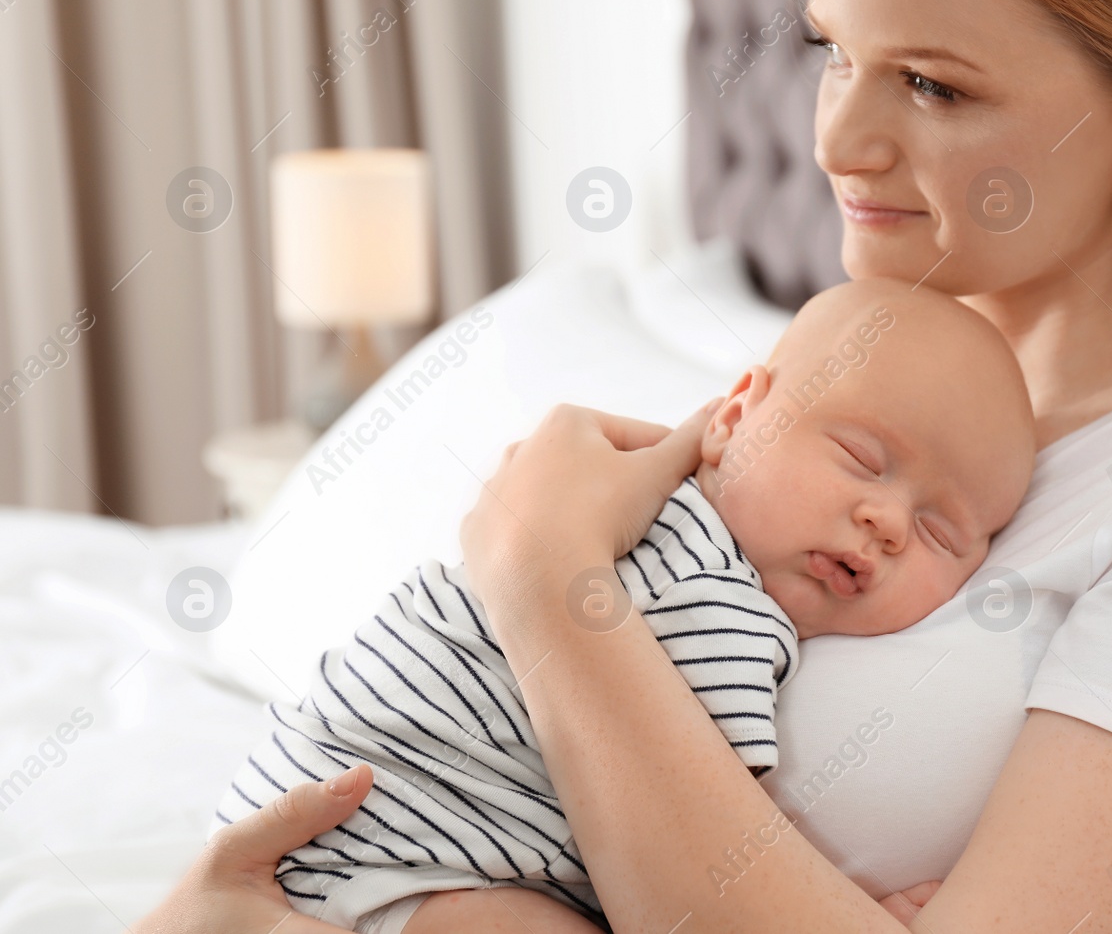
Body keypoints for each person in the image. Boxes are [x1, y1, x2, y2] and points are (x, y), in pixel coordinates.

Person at [135, 0, 1112, 930]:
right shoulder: (853, 396)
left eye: (933, 83)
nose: (837, 141)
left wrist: (542, 573)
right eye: (832, 54)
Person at [209, 279, 1036, 933]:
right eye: (861, 457)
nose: (888, 523)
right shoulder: (711, 590)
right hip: (398, 848)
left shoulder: (617, 512)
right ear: (737, 414)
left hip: (298, 828)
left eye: (940, 531)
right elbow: (709, 851)